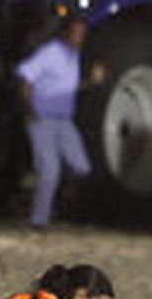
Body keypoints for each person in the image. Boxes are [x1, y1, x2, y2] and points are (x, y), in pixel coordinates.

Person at [16, 15, 105, 228]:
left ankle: (57, 207)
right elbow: (25, 76)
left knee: (81, 167)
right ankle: (38, 220)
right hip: (42, 119)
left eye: (83, 33)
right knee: (50, 169)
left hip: (64, 121)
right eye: (76, 33)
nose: (80, 37)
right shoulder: (51, 52)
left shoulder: (73, 56)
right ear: (65, 33)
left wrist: (91, 82)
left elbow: (67, 88)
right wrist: (28, 108)